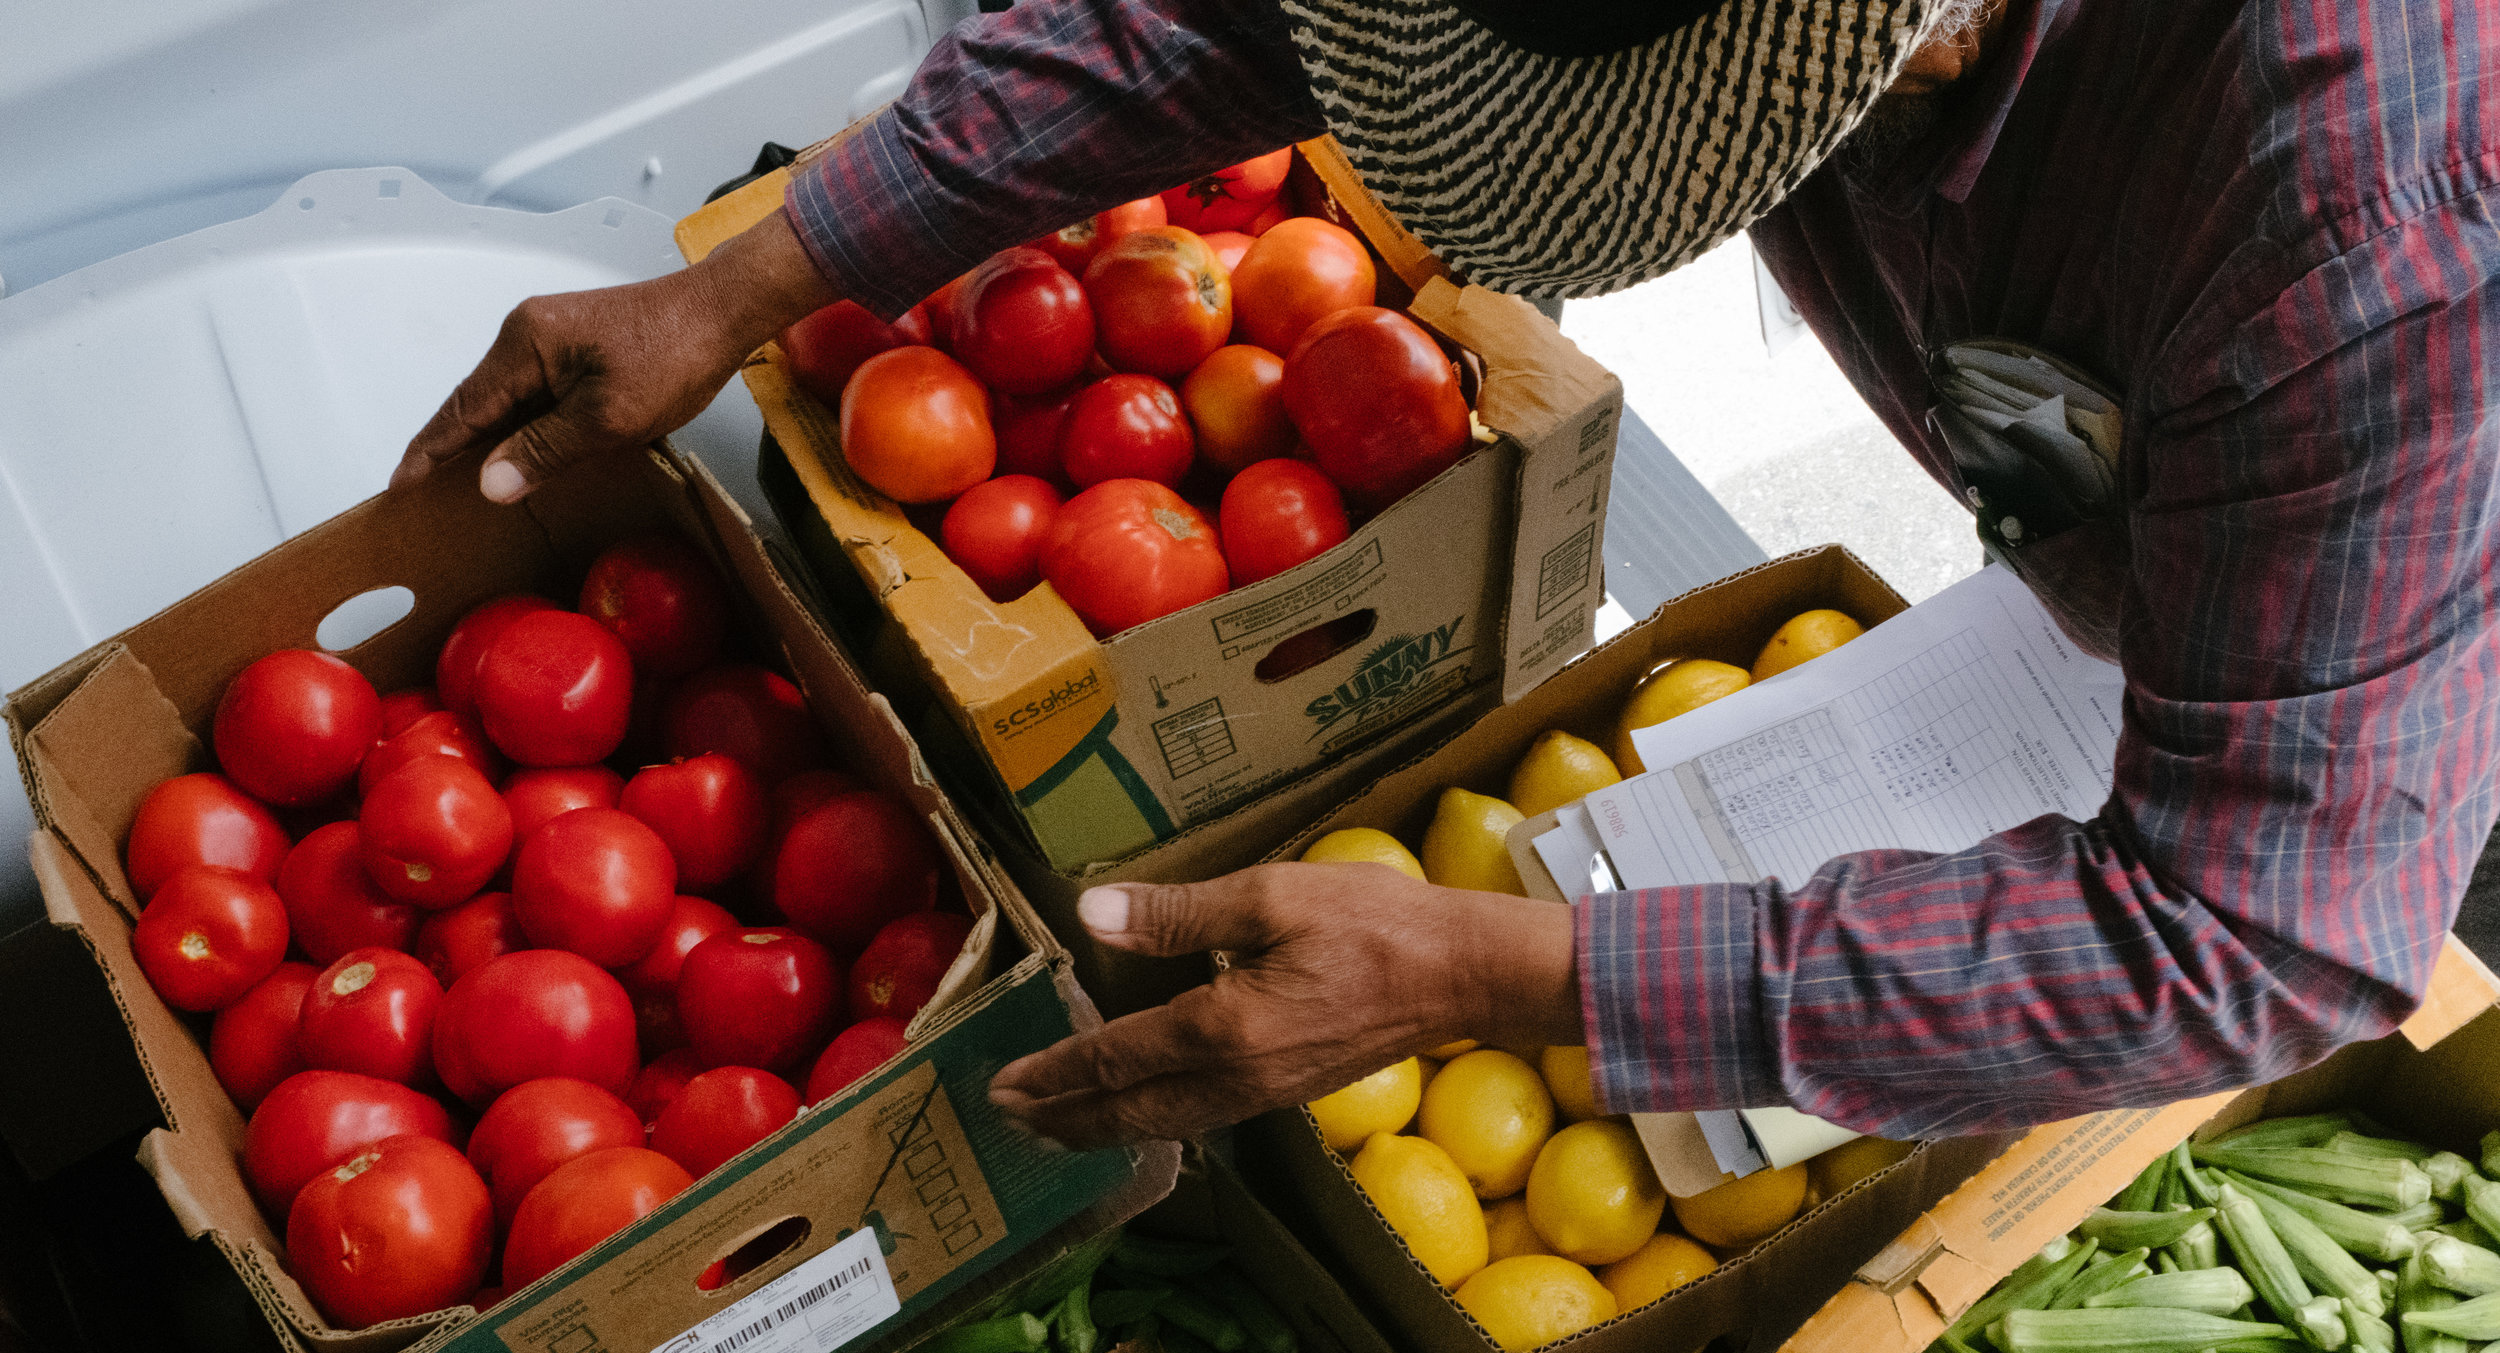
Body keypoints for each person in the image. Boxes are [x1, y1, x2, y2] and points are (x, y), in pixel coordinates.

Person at [396, 0, 2500, 1155]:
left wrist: (1502, 974)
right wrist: (764, 272)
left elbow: (2262, 930)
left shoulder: (2363, 226)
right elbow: (1230, 22)